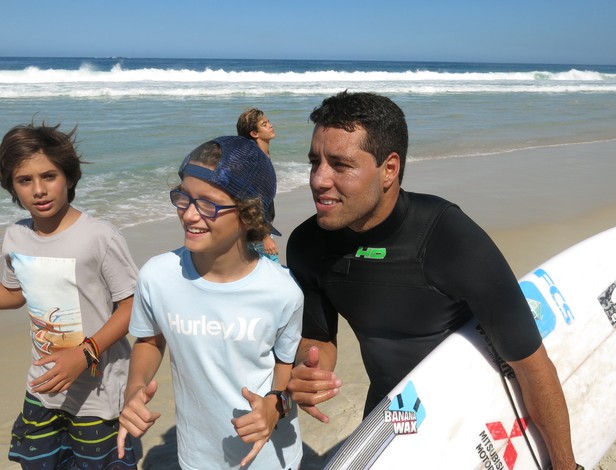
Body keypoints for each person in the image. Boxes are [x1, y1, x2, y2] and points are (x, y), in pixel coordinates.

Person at [286, 91, 581, 469]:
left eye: (340, 165)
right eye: (315, 161)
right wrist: (310, 369)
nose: (318, 179)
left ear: (389, 168)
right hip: (391, 411)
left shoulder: (449, 238)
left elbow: (531, 365)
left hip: (476, 414)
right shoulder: (308, 244)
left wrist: (565, 465)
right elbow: (319, 336)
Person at [116, 136, 304, 470]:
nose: (188, 215)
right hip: (197, 454)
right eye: (183, 198)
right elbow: (149, 339)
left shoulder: (282, 292)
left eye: (207, 204)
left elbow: (285, 366)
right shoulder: (157, 276)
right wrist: (134, 389)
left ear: (248, 215)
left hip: (269, 456)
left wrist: (275, 406)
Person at [0, 122, 139, 468]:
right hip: (43, 386)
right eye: (24, 180)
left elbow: (133, 305)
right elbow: (14, 294)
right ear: (12, 187)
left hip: (99, 391)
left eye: (49, 176)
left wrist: (85, 353)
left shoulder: (98, 237)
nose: (38, 190)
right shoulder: (15, 237)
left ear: (70, 177)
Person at [236, 108, 280, 262]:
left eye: (268, 122)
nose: (270, 125)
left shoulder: (261, 155)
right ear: (254, 133)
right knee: (272, 275)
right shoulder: (255, 162)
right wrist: (265, 237)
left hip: (258, 229)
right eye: (264, 124)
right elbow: (251, 202)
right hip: (257, 234)